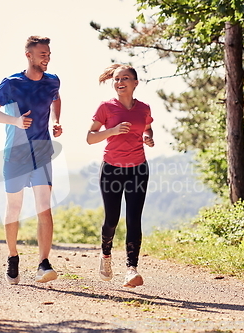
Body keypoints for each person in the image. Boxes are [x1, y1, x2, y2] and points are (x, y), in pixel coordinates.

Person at [0, 36, 62, 285]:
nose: (47, 57)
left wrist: (56, 121)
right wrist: (15, 121)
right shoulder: (12, 83)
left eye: (48, 53)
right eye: (42, 53)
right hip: (16, 154)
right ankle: (13, 257)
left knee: (44, 208)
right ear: (28, 55)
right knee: (15, 208)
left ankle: (43, 263)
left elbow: (56, 98)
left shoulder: (52, 81)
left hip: (41, 152)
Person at [86, 64, 154, 288]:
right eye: (116, 79)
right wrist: (112, 131)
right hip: (112, 169)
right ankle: (106, 256)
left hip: (138, 169)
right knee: (112, 219)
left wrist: (147, 136)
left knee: (134, 219)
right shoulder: (106, 108)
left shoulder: (143, 108)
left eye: (125, 78)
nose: (120, 82)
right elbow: (90, 137)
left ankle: (131, 269)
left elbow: (147, 127)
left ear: (135, 83)